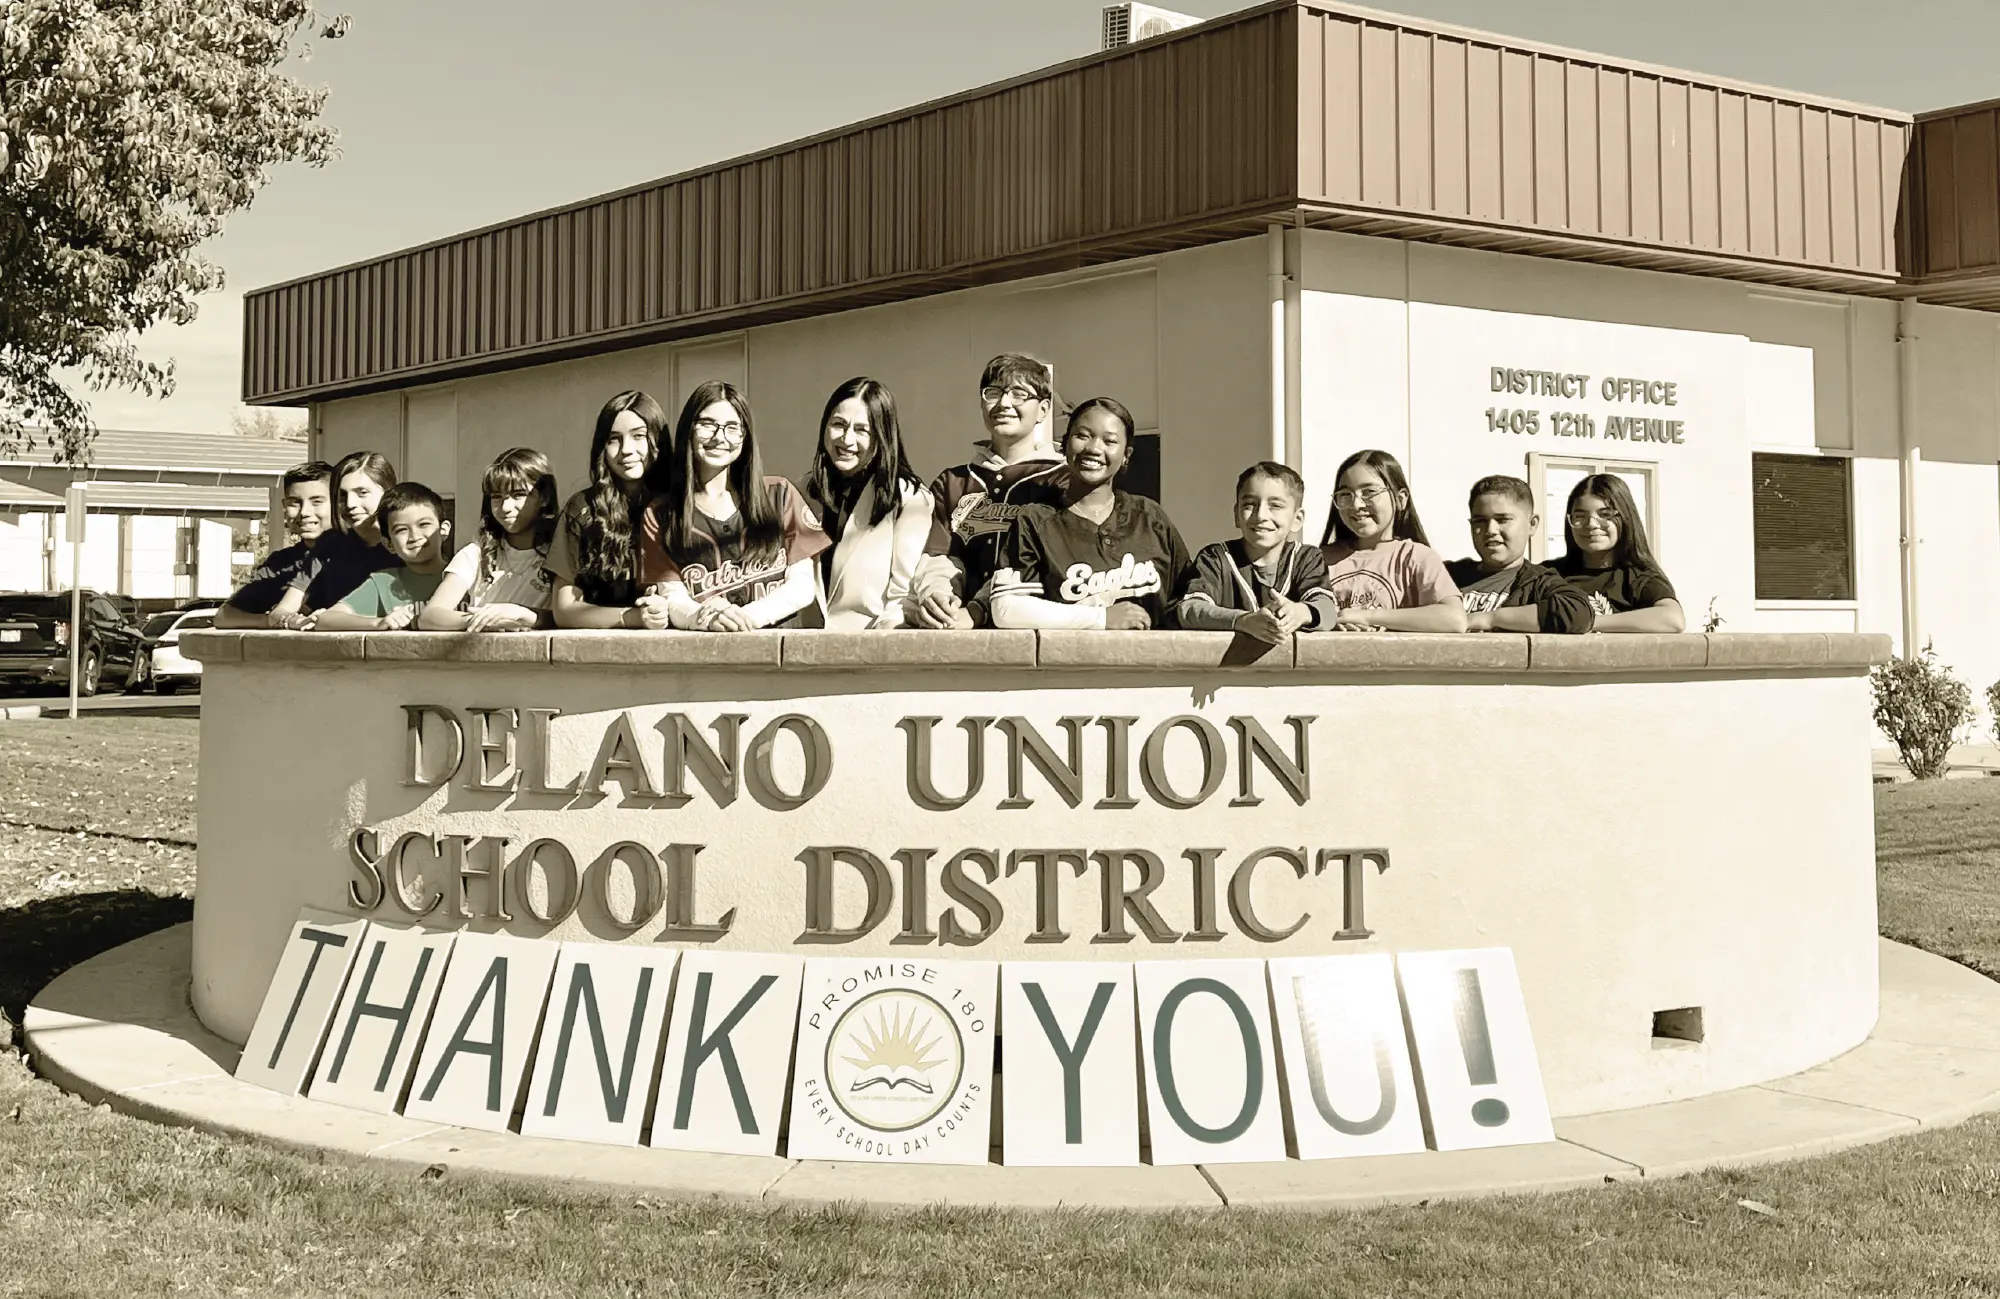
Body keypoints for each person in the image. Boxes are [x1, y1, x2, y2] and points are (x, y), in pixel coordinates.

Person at [639, 380, 830, 631]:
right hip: (708, 657)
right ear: (688, 429)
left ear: (745, 436)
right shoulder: (660, 514)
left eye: (732, 427)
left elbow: (803, 587)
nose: (720, 437)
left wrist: (742, 617)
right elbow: (672, 599)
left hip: (780, 655)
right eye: (707, 425)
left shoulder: (779, 494)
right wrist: (706, 619)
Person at [990, 398, 1190, 631]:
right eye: (1083, 436)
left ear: (1126, 454)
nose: (1094, 448)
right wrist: (1101, 618)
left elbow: (1187, 596)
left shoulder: (1150, 517)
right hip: (1071, 665)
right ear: (1065, 444)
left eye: (1110, 441)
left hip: (1151, 664)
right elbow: (1007, 610)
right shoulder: (1035, 521)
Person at [907, 353, 1067, 629]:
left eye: (1019, 394)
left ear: (1043, 409)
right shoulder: (952, 482)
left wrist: (978, 608)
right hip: (958, 631)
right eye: (993, 392)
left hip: (1033, 633)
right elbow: (940, 555)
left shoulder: (1061, 481)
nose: (1004, 403)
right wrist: (939, 596)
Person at [801, 377, 933, 630]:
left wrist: (874, 653)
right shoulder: (799, 493)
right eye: (838, 425)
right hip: (802, 651)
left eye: (862, 430)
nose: (847, 440)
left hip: (868, 650)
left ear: (882, 436)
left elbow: (903, 599)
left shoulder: (908, 498)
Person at [549, 391, 673, 630]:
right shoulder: (583, 508)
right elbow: (564, 611)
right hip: (599, 654)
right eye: (614, 439)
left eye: (639, 436)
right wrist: (633, 617)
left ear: (658, 440)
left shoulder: (682, 505)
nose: (626, 449)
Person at [1177, 461, 1338, 642]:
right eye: (1249, 505)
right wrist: (1243, 621)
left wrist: (1300, 612)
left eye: (1275, 505)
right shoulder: (1215, 558)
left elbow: (1328, 609)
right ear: (1236, 515)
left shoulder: (1307, 558)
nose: (1261, 515)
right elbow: (1190, 609)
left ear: (1297, 519)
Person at [1316, 449, 1466, 632]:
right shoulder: (1318, 559)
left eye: (1369, 492)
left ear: (1400, 499)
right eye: (1346, 494)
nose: (1356, 504)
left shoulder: (1416, 557)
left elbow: (1454, 620)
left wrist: (1367, 616)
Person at [419, 448, 559, 631]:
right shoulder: (474, 554)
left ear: (545, 498)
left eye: (519, 495)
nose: (506, 507)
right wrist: (483, 622)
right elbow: (430, 616)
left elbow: (569, 616)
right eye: (496, 497)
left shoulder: (562, 552)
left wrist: (522, 613)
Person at [264, 451, 402, 629]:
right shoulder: (329, 546)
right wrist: (295, 620)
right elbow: (280, 612)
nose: (350, 503)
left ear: (388, 493)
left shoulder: (407, 544)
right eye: (342, 496)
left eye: (362, 493)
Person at [1446, 475, 1594, 634]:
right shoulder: (1447, 575)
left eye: (1502, 519)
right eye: (1479, 521)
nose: (1490, 530)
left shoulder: (1538, 583)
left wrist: (1490, 618)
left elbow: (1578, 613)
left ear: (1532, 524)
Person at [1549, 474, 1685, 632]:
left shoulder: (1639, 579)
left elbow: (1672, 620)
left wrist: (1587, 622)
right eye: (1580, 516)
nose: (1592, 524)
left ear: (1625, 518)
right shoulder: (1549, 575)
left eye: (1605, 515)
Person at [310, 483, 453, 631]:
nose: (414, 537)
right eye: (401, 530)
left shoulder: (468, 575)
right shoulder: (383, 582)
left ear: (443, 530)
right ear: (389, 544)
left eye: (423, 524)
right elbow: (326, 619)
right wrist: (379, 623)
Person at [215, 460, 334, 629]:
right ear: (284, 506)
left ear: (338, 504)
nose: (305, 512)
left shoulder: (356, 553)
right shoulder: (280, 563)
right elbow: (224, 616)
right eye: (295, 502)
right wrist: (276, 621)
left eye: (317, 502)